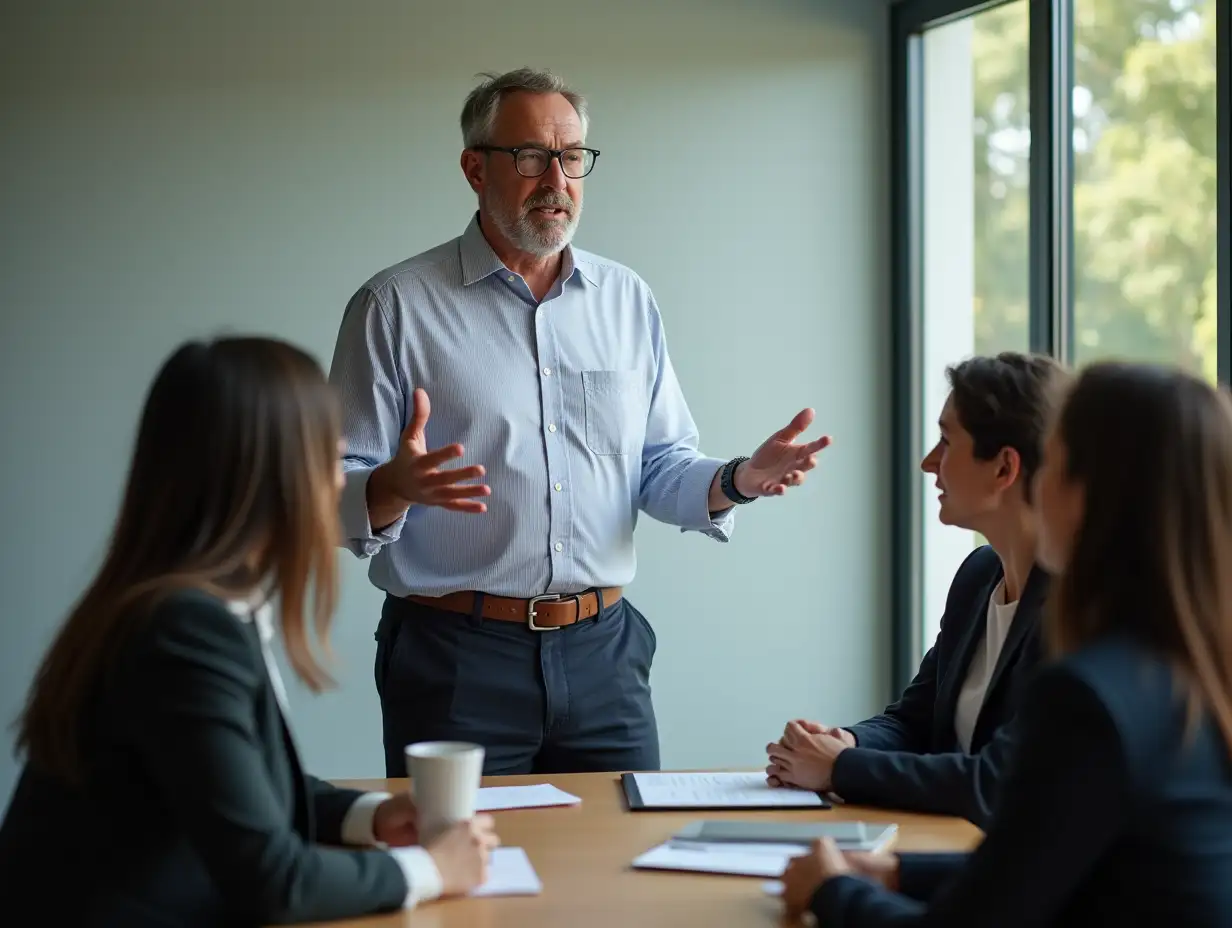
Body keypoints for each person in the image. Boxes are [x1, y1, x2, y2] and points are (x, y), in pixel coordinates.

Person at [328, 67, 831, 777]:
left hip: (603, 653)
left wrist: (738, 479)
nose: (555, 181)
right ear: (476, 168)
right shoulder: (395, 307)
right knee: (459, 874)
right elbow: (331, 492)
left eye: (571, 158)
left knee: (623, 872)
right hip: (454, 658)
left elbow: (657, 466)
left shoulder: (626, 299)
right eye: (530, 156)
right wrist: (393, 486)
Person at [0, 338, 498, 926]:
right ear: (267, 471)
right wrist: (433, 871)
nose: (339, 464)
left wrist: (372, 814)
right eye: (323, 446)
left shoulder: (188, 604)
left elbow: (242, 795)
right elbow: (276, 882)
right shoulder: (182, 631)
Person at [782, 361, 1232, 927]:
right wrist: (891, 873)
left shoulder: (1090, 692)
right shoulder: (1187, 660)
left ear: (1088, 494)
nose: (1038, 483)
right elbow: (1050, 865)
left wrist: (830, 890)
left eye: (1056, 461)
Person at [766, 353, 1066, 826]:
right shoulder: (978, 576)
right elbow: (914, 721)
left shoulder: (1077, 611)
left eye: (947, 442)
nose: (929, 463)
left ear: (1004, 468)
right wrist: (846, 743)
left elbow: (1001, 781)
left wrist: (840, 768)